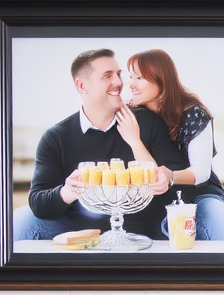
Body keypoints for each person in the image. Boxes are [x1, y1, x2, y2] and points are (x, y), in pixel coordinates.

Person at [13, 49, 178, 242]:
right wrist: (66, 192)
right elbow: (38, 202)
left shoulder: (147, 122)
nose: (118, 82)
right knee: (22, 219)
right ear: (82, 86)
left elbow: (175, 179)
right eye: (107, 76)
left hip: (142, 233)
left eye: (118, 74)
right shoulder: (55, 137)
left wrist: (162, 176)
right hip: (80, 231)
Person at [119, 49, 224, 242]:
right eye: (131, 77)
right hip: (159, 200)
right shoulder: (135, 116)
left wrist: (170, 176)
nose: (131, 84)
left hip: (200, 193)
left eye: (139, 77)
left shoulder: (194, 114)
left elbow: (201, 172)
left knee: (218, 222)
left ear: (161, 79)